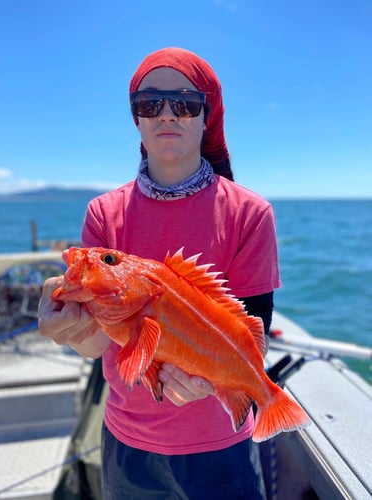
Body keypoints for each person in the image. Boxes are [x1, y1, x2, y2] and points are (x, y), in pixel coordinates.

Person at [38, 47, 280, 499]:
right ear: (136, 119)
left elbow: (253, 332)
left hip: (221, 444)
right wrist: (65, 331)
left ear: (206, 116)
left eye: (185, 103)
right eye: (150, 104)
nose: (168, 114)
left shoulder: (251, 212)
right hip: (128, 442)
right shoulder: (103, 213)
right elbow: (97, 344)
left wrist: (211, 382)